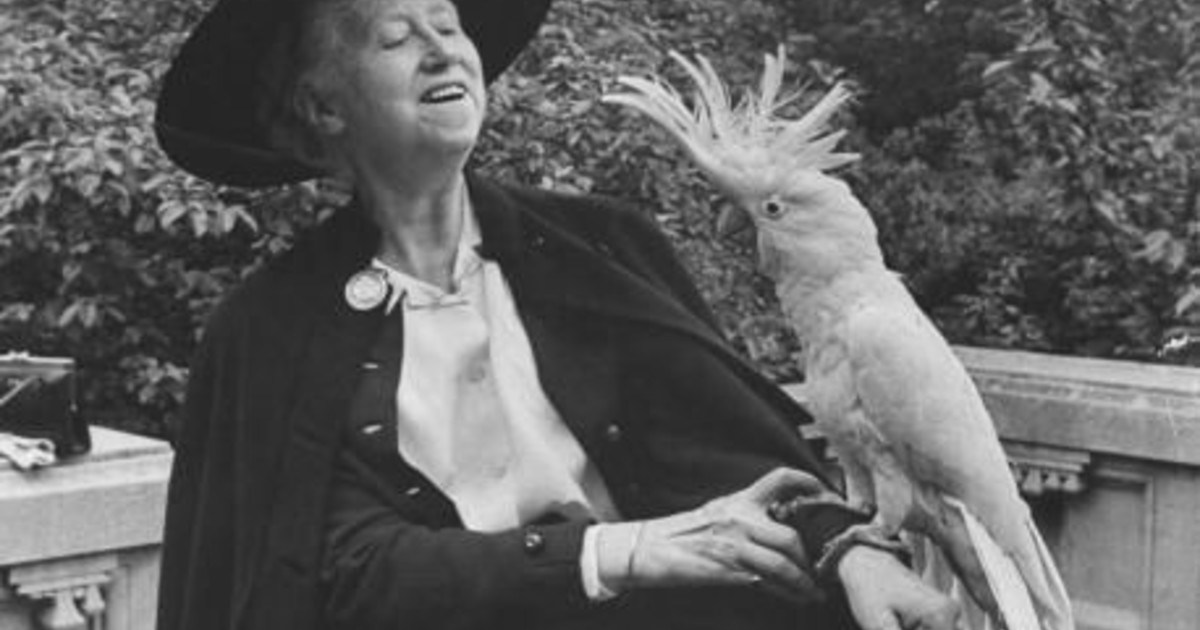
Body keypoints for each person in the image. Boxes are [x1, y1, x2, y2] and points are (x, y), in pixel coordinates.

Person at [152, 0, 960, 629]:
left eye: (449, 25)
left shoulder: (603, 246)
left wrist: (849, 554)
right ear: (325, 108)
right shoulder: (269, 330)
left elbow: (730, 462)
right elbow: (344, 572)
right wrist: (617, 551)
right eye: (396, 37)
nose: (442, 50)